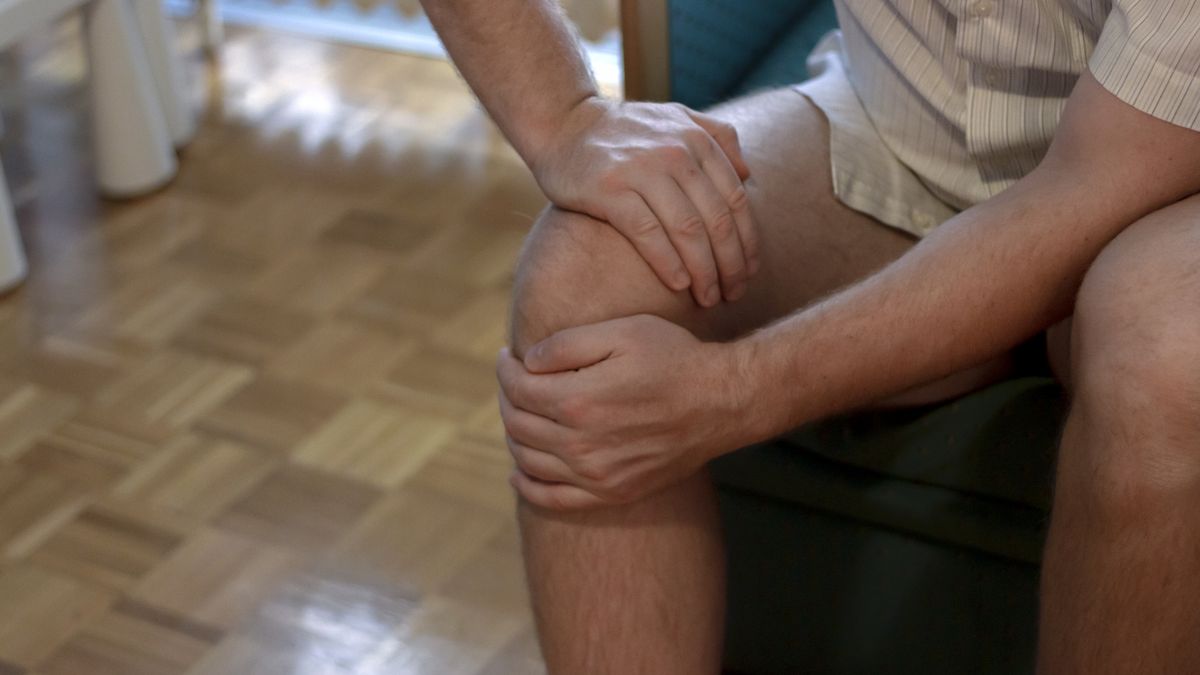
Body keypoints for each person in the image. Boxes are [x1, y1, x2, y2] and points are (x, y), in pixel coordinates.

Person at [421, 1, 1200, 672]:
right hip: (904, 127)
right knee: (584, 280)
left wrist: (730, 392)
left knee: (1168, 367)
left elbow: (1097, 185)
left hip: (1163, 190)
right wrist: (564, 120)